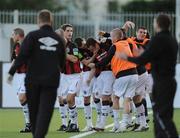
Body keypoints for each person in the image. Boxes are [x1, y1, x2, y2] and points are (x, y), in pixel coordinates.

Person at [7, 9, 66, 138]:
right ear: (51, 21)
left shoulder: (32, 36)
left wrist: (11, 72)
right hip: (51, 81)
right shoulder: (59, 39)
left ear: (38, 21)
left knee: (34, 111)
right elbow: (62, 62)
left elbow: (22, 56)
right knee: (45, 111)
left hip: (33, 80)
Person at [119, 14, 179, 138]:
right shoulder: (172, 39)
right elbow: (156, 57)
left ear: (157, 24)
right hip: (168, 81)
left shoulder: (158, 39)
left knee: (160, 116)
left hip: (162, 82)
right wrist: (145, 54)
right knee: (165, 116)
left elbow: (142, 60)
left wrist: (127, 57)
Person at [10, 28, 31, 133]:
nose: (12, 36)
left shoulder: (28, 44)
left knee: (23, 98)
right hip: (19, 76)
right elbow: (14, 60)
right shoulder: (16, 46)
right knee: (22, 99)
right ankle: (29, 124)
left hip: (28, 75)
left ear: (18, 35)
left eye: (13, 34)